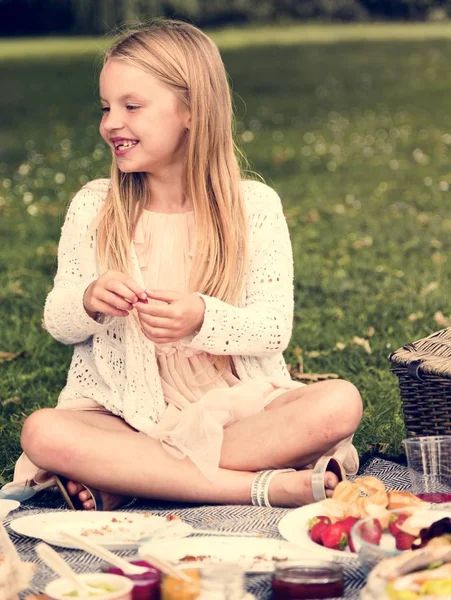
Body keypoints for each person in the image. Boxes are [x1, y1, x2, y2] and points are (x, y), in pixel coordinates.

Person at [3, 19, 362, 511]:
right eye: (106, 107)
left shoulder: (252, 206)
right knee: (43, 431)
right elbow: (57, 321)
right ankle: (264, 486)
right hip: (123, 411)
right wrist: (89, 301)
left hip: (233, 406)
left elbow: (272, 329)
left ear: (191, 110)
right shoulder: (95, 205)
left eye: (132, 106)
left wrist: (201, 317)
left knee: (338, 403)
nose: (111, 123)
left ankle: (130, 476)